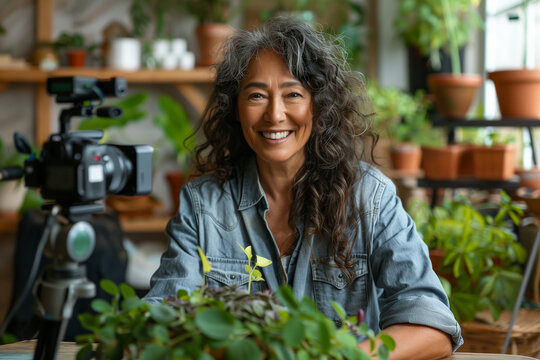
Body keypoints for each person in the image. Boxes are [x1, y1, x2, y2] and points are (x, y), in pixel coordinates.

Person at [144, 17, 462, 359]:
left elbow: (434, 326)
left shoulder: (370, 197)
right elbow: (161, 322)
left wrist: (339, 356)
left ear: (319, 105)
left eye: (293, 94)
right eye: (256, 96)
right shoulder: (203, 204)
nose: (275, 114)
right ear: (235, 108)